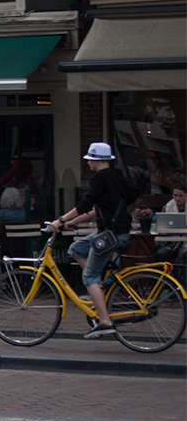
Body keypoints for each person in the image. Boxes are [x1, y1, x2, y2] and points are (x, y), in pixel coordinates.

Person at [50, 141, 139, 339]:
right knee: (75, 249)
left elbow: (86, 203)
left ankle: (105, 322)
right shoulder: (116, 176)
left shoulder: (100, 177)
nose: (88, 162)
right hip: (116, 231)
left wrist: (61, 220)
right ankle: (99, 286)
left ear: (97, 160)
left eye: (89, 159)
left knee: (89, 276)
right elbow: (98, 209)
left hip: (109, 234)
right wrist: (72, 222)